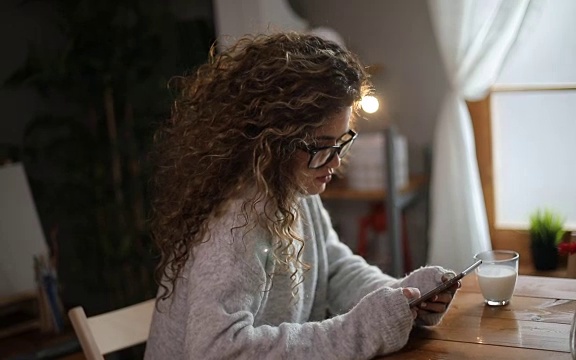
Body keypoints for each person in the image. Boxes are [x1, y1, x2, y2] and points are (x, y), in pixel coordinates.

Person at [144, 31, 458, 360]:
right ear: (272, 141)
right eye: (322, 146)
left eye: (341, 141)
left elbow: (333, 268)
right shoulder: (236, 218)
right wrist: (361, 329)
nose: (336, 160)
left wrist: (405, 297)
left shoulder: (292, 184)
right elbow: (217, 350)